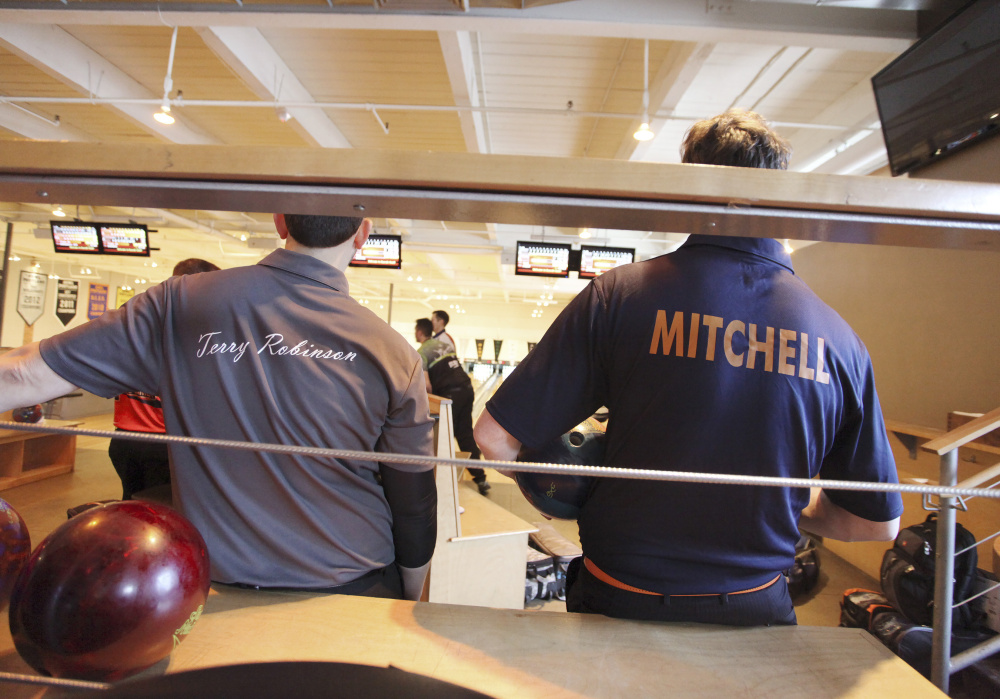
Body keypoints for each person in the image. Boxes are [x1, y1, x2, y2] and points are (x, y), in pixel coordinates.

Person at [474, 108, 903, 627]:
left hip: (621, 598)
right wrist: (791, 500)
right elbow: (878, 524)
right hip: (757, 608)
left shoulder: (619, 296)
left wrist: (552, 487)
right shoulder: (841, 343)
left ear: (686, 190)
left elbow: (495, 439)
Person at [0, 215, 437, 601]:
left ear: (279, 222)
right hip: (356, 581)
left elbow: (20, 375)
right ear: (363, 233)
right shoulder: (395, 353)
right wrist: (408, 592)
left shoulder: (180, 304)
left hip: (211, 584)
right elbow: (413, 501)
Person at [108, 257, 220, 500]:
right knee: (162, 513)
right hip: (163, 443)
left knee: (133, 508)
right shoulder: (191, 324)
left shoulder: (135, 317)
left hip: (124, 441)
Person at [414, 318, 489, 495]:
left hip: (450, 393)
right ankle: (481, 479)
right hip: (466, 388)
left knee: (441, 436)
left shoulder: (422, 352)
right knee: (465, 435)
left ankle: (439, 481)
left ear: (419, 332)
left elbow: (426, 386)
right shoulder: (443, 345)